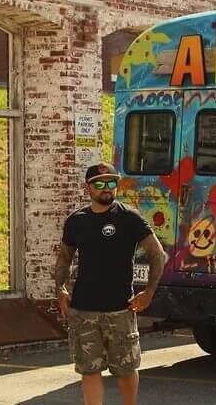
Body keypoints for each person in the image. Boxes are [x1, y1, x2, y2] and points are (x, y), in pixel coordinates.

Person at [55, 161, 167, 405]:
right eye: (100, 183)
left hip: (120, 309)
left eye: (112, 182)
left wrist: (148, 292)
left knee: (125, 369)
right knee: (90, 369)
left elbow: (157, 254)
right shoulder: (77, 220)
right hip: (84, 309)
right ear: (88, 188)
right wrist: (60, 289)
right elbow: (64, 257)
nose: (107, 188)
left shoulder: (128, 217)